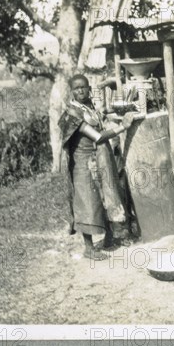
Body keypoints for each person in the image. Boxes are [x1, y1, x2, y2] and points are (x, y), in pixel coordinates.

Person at [59, 74, 136, 260]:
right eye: (76, 88)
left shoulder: (89, 107)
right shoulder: (73, 113)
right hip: (83, 163)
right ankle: (89, 248)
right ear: (71, 91)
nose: (81, 91)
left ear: (88, 88)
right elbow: (98, 136)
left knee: (106, 196)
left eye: (83, 87)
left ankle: (110, 238)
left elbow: (101, 121)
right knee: (87, 202)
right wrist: (122, 127)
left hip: (99, 158)